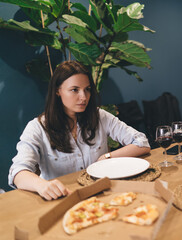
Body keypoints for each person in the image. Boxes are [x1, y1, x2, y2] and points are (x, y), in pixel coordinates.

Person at [8, 61, 150, 200]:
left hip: (102, 196)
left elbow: (141, 142)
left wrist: (107, 157)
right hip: (62, 200)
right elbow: (17, 173)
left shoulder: (100, 116)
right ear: (58, 91)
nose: (83, 97)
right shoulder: (37, 127)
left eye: (87, 89)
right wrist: (42, 185)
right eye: (74, 90)